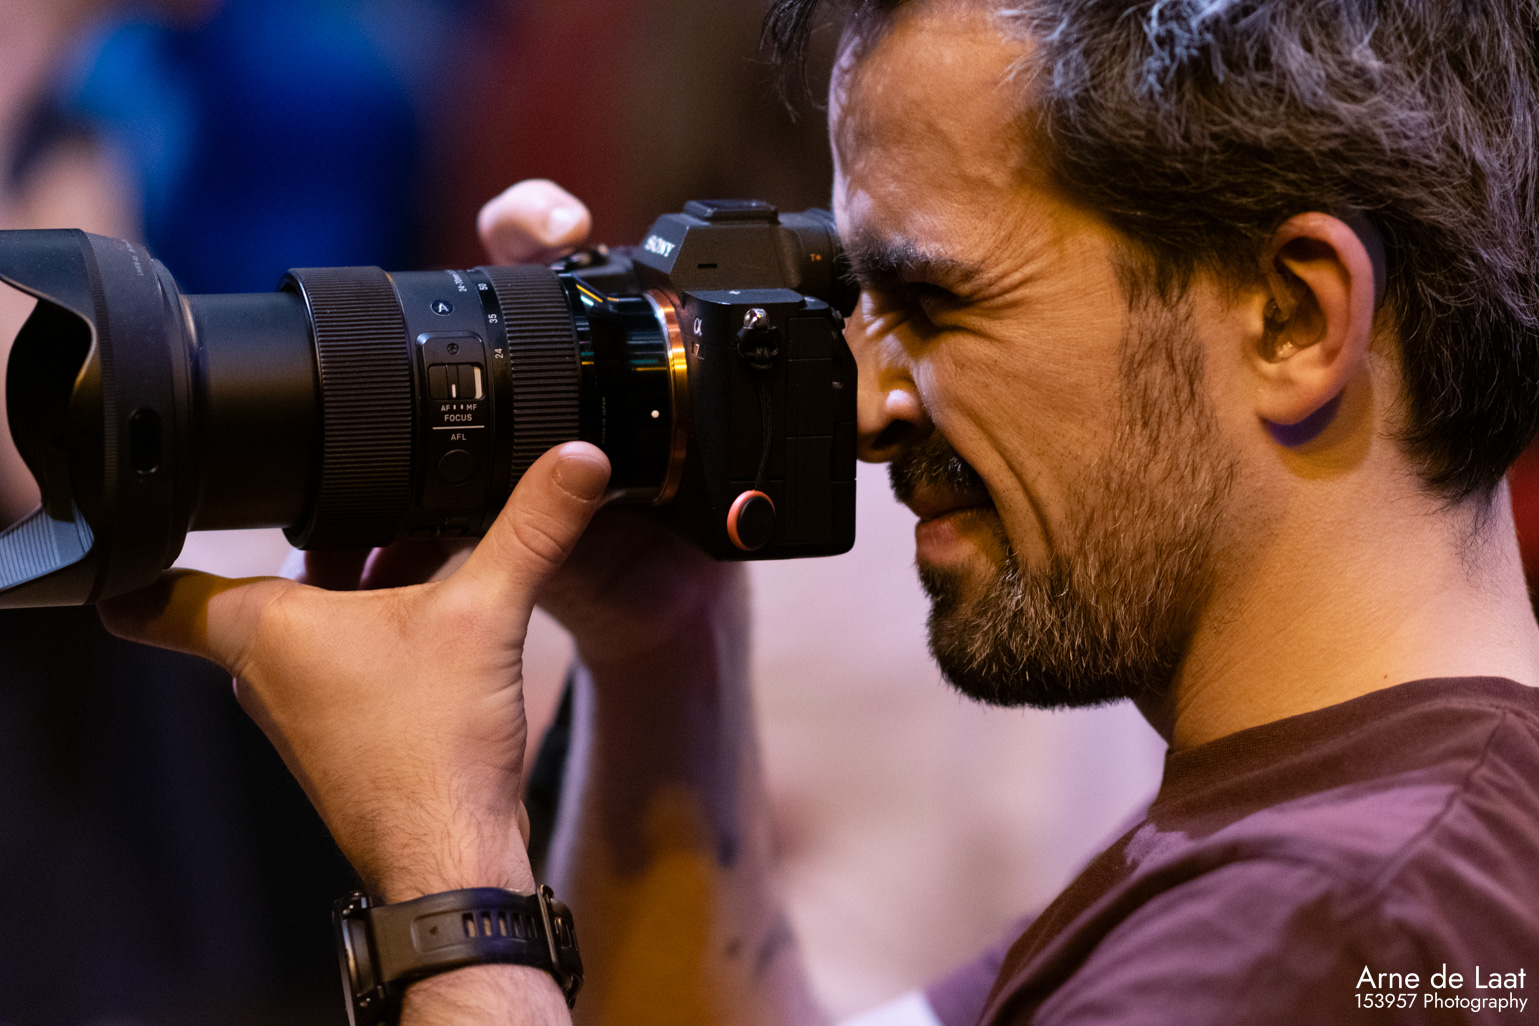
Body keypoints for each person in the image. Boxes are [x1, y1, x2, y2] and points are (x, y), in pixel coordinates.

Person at [101, 0, 1539, 1024]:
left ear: (1294, 318)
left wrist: (447, 879)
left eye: (934, 304)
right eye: (851, 298)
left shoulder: (1324, 926)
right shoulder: (1326, 849)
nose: (866, 401)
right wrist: (661, 642)